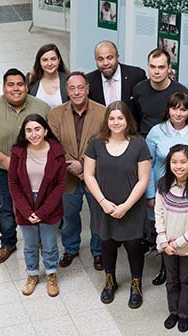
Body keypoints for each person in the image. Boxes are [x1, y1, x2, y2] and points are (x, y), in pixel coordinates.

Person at [0, 69, 50, 264]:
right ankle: (8, 243)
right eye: (11, 85)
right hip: (3, 170)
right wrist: (4, 159)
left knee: (37, 204)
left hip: (35, 170)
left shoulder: (41, 107)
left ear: (26, 87)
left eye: (20, 84)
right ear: (4, 87)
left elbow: (51, 137)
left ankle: (40, 241)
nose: (16, 89)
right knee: (6, 207)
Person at [83, 102, 151, 309]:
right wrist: (103, 203)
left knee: (133, 247)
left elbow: (143, 180)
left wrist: (126, 206)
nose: (116, 122)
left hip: (131, 207)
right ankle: (109, 280)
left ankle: (136, 283)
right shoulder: (96, 143)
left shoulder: (139, 144)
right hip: (105, 207)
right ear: (106, 120)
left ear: (127, 120)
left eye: (120, 118)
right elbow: (88, 175)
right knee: (108, 244)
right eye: (112, 118)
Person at [146, 92, 188, 286]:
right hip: (161, 192)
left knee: (183, 229)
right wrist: (149, 194)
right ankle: (166, 266)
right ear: (168, 110)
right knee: (162, 227)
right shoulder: (156, 131)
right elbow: (148, 163)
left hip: (186, 196)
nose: (178, 113)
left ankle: (178, 268)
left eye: (183, 109)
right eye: (174, 108)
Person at [48, 72, 107, 271]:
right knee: (70, 216)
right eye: (72, 88)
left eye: (80, 87)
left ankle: (98, 252)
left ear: (88, 89)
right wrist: (71, 166)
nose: (76, 92)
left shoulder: (102, 112)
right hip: (67, 176)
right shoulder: (55, 114)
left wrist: (83, 165)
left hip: (96, 175)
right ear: (67, 90)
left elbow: (105, 144)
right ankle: (70, 249)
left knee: (98, 215)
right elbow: (52, 145)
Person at [8, 114, 66, 297]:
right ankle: (32, 274)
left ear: (46, 130)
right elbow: (13, 183)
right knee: (30, 245)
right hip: (25, 203)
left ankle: (50, 274)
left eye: (37, 129)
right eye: (29, 130)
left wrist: (42, 212)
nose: (34, 134)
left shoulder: (57, 152)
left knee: (49, 244)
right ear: (24, 134)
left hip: (49, 204)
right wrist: (26, 211)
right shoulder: (18, 152)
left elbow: (60, 186)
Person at [155, 144, 188, 332]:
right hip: (166, 244)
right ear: (169, 163)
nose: (178, 166)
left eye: (183, 162)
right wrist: (163, 241)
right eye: (174, 162)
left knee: (186, 280)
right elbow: (158, 213)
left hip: (187, 246)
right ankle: (173, 311)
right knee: (171, 279)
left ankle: (184, 314)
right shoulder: (163, 185)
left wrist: (176, 243)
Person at [132, 48, 188, 137]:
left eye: (161, 67)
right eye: (152, 67)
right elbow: (136, 118)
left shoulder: (181, 93)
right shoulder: (139, 89)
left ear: (169, 68)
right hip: (145, 141)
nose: (156, 72)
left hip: (171, 142)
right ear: (148, 66)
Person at [86, 41, 146, 117]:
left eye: (109, 58)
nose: (105, 63)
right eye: (100, 59)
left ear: (117, 57)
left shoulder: (136, 76)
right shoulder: (89, 81)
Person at [27, 44, 69, 108]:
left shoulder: (68, 80)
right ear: (39, 62)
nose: (49, 63)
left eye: (53, 59)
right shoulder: (30, 78)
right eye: (45, 60)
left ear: (59, 60)